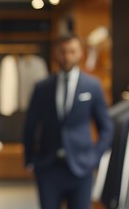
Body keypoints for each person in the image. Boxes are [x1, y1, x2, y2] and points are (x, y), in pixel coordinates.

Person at [23, 34, 113, 209]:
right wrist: (30, 159)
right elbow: (30, 125)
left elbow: (106, 128)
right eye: (63, 52)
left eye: (72, 51)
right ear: (57, 53)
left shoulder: (93, 86)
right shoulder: (42, 87)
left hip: (81, 167)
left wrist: (94, 157)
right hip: (48, 166)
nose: (67, 56)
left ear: (80, 54)